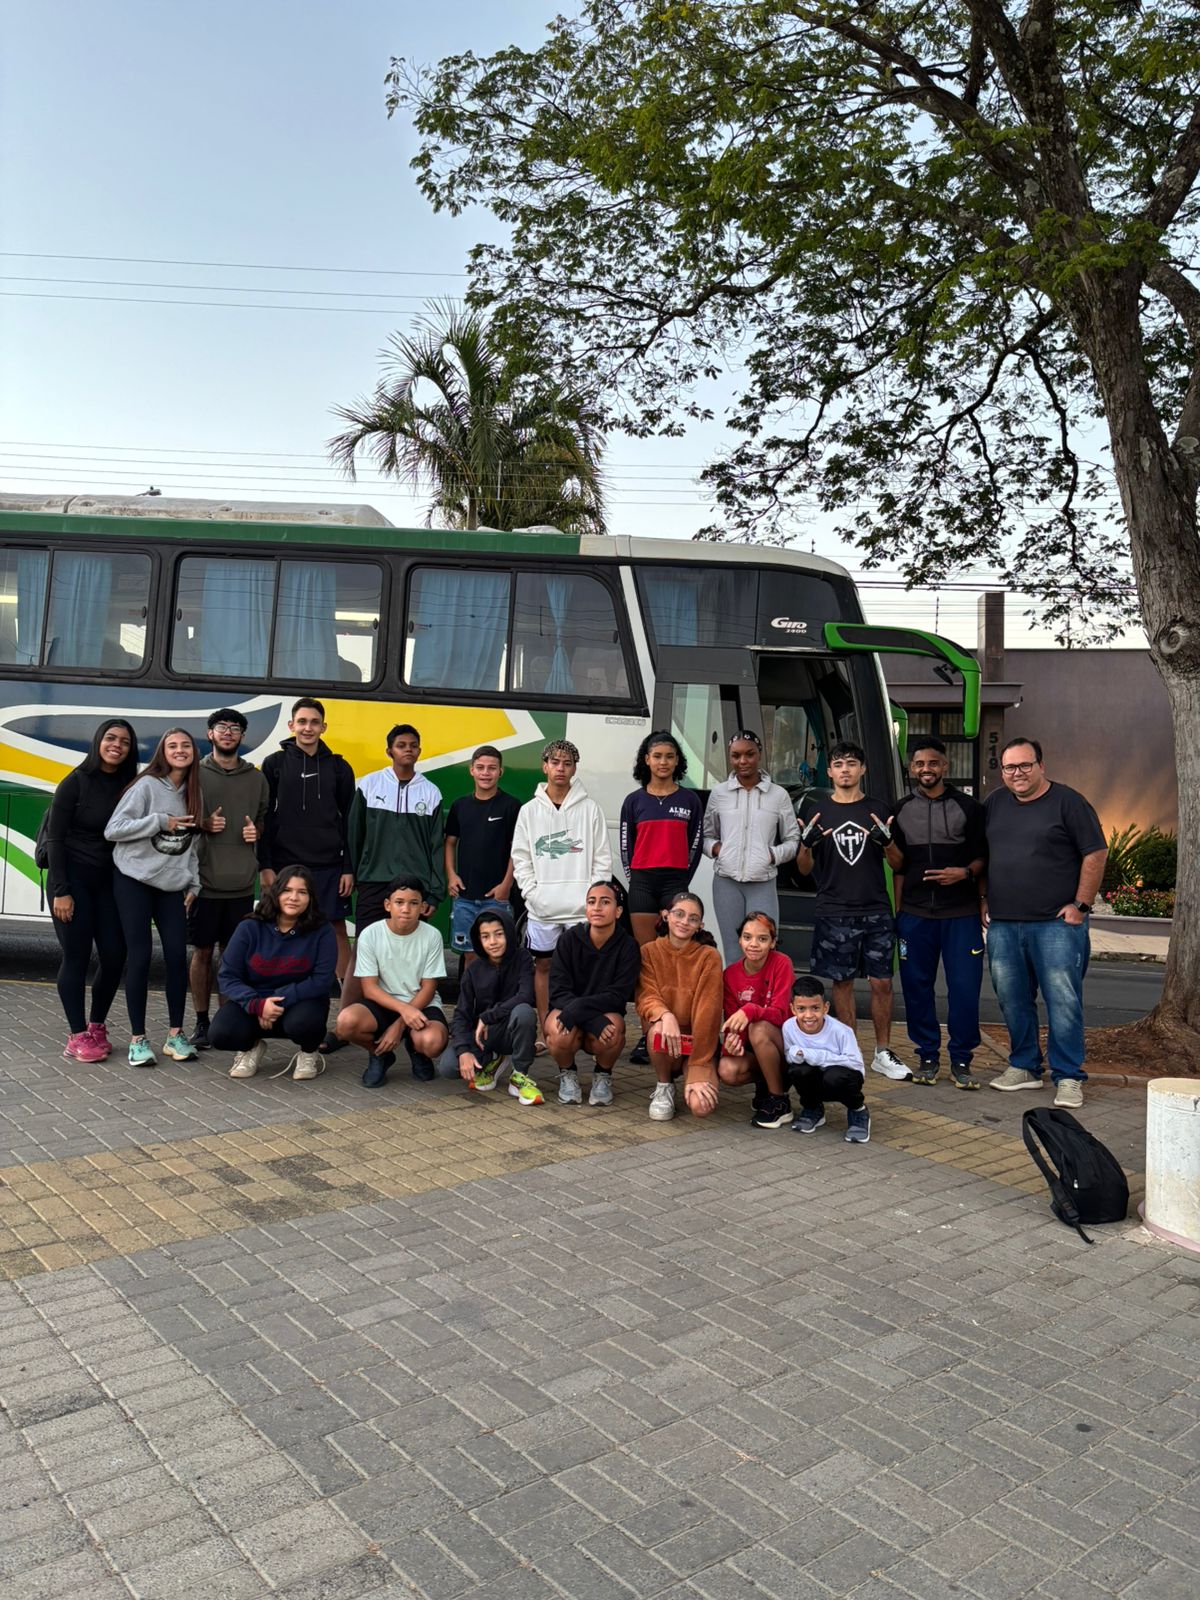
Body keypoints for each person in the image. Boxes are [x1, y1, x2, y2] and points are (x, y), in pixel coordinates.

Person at [983, 737, 1107, 1109]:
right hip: (1004, 924)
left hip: (1056, 925)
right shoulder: (995, 804)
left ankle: (1068, 1076)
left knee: (1063, 1001)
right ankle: (1025, 1066)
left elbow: (1096, 853)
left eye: (1025, 765)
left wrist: (1081, 905)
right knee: (1012, 999)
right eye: (1010, 767)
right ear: (1002, 771)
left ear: (1041, 766)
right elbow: (984, 855)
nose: (1017, 773)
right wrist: (983, 897)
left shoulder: (1068, 802)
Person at [795, 740, 910, 1081]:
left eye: (851, 764)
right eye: (838, 764)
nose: (845, 770)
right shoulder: (818, 811)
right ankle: (849, 1051)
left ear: (862, 769)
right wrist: (806, 845)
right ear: (829, 771)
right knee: (842, 983)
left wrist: (887, 841)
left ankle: (882, 1051)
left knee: (882, 982)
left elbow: (898, 863)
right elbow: (803, 869)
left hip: (875, 907)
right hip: (834, 908)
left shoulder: (879, 809)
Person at [891, 737, 988, 1090]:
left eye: (933, 763)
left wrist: (965, 875)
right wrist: (899, 913)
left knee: (964, 989)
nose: (926, 769)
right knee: (916, 989)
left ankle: (961, 1059)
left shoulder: (969, 807)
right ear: (912, 768)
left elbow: (983, 856)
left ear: (945, 766)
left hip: (960, 914)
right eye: (920, 764)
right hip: (915, 915)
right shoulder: (900, 810)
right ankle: (927, 1056)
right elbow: (898, 868)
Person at [105, 727, 203, 1068]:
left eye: (186, 745)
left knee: (176, 956)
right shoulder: (146, 786)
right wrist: (161, 820)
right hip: (133, 880)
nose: (180, 750)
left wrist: (194, 884)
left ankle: (175, 1036)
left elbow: (192, 844)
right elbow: (113, 830)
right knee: (141, 955)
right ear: (163, 752)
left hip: (171, 885)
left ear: (194, 752)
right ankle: (138, 1039)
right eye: (172, 746)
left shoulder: (195, 792)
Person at [45, 718, 139, 1063]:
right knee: (77, 956)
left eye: (125, 742)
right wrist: (61, 890)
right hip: (72, 883)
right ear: (98, 741)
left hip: (110, 884)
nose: (117, 745)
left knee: (115, 955)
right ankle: (76, 1035)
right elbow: (55, 839)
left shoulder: (130, 786)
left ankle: (96, 1026)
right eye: (111, 738)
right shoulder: (75, 782)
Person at [511, 739, 613, 1030]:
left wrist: (591, 901)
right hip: (542, 909)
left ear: (574, 769)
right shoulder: (529, 811)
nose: (561, 768)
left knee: (582, 969)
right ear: (544, 766)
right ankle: (547, 1028)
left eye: (567, 763)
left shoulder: (590, 809)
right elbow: (521, 857)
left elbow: (602, 859)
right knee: (543, 966)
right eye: (555, 762)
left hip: (580, 910)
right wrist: (533, 893)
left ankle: (580, 1027)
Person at [260, 697, 355, 992]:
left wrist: (348, 868)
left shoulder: (339, 768)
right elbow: (264, 818)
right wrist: (265, 865)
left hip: (329, 865)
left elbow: (350, 822)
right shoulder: (274, 764)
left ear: (324, 727)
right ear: (291, 725)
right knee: (280, 928)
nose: (308, 728)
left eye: (314, 722)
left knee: (336, 929)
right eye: (302, 722)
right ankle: (276, 994)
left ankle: (348, 1002)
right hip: (284, 864)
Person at [620, 730, 704, 1063]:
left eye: (669, 756)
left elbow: (695, 845)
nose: (663, 762)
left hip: (675, 885)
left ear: (677, 761)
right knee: (647, 961)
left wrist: (682, 887)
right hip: (642, 884)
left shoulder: (690, 800)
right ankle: (648, 1034)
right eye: (657, 756)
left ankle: (676, 1031)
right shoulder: (634, 801)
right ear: (647, 760)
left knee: (675, 958)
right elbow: (626, 846)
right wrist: (634, 880)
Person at [188, 708, 269, 1050]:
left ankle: (226, 1021)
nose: (228, 732)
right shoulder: (194, 773)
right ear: (210, 733)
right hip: (204, 882)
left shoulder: (257, 779)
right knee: (202, 952)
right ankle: (201, 1021)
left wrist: (256, 831)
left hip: (241, 883)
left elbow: (263, 820)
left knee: (232, 956)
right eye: (221, 727)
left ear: (242, 736)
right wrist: (203, 824)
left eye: (235, 728)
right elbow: (178, 819)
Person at [209, 866, 337, 1081]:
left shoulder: (322, 930)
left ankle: (308, 1052)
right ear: (276, 893)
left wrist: (278, 999)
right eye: (287, 890)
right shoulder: (250, 927)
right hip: (255, 1001)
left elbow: (322, 980)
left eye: (302, 892)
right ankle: (250, 1047)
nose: (293, 897)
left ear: (311, 898)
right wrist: (258, 1004)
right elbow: (227, 976)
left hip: (300, 1001)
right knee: (220, 1034)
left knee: (305, 1024)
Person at [333, 876, 449, 1087]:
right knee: (345, 1023)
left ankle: (416, 1050)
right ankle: (380, 1053)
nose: (406, 909)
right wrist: (403, 1012)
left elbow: (429, 987)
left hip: (420, 1003)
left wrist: (400, 1024)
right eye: (399, 902)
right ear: (388, 905)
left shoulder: (432, 936)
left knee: (432, 1042)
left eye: (413, 903)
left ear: (423, 907)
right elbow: (369, 988)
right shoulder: (370, 934)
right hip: (382, 1002)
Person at [702, 730, 799, 964]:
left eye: (749, 754)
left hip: (762, 883)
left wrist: (772, 855)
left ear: (760, 754)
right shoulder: (719, 793)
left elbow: (793, 839)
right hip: (726, 882)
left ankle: (763, 991)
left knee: (763, 949)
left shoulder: (778, 795)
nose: (743, 761)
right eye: (736, 756)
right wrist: (717, 849)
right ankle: (734, 991)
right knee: (733, 950)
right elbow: (706, 834)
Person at [545, 880, 641, 1106]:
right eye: (591, 902)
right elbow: (558, 991)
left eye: (605, 902)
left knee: (613, 1032)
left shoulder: (628, 946)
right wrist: (591, 1019)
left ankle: (603, 1074)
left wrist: (582, 1011)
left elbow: (618, 995)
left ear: (618, 911)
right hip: (570, 1009)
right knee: (558, 1031)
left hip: (604, 1011)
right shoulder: (569, 939)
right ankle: (567, 1073)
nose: (597, 907)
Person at [636, 891, 724, 1122]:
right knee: (657, 1030)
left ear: (700, 925)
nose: (685, 922)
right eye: (679, 914)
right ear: (666, 915)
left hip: (699, 1043)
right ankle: (664, 1085)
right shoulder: (648, 952)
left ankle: (695, 1071)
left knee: (701, 1107)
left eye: (693, 919)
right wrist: (666, 1015)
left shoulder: (709, 956)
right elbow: (646, 996)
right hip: (667, 1040)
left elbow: (709, 1012)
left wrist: (698, 1064)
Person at [444, 908, 542, 1105]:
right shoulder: (473, 970)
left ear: (509, 933)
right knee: (449, 1068)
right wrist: (463, 1050)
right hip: (483, 1037)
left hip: (509, 1029)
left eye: (499, 934)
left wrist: (488, 1016)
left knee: (524, 1012)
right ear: (478, 939)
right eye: (485, 936)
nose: (493, 942)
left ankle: (519, 1075)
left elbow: (525, 996)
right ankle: (494, 1059)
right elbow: (461, 1014)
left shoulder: (522, 958)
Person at [716, 911, 796, 1128]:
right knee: (727, 1070)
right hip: (755, 1047)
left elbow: (780, 1014)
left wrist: (751, 1010)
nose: (753, 944)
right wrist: (733, 1043)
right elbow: (732, 1020)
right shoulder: (730, 974)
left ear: (772, 943)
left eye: (762, 939)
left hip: (784, 1044)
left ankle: (779, 1101)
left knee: (758, 1028)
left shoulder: (782, 963)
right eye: (747, 937)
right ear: (739, 940)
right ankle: (767, 1084)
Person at [445, 744, 521, 966]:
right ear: (471, 770)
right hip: (465, 897)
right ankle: (470, 991)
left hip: (496, 897)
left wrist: (506, 885)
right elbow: (449, 843)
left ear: (500, 771)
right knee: (469, 954)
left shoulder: (511, 806)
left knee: (496, 954)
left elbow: (517, 849)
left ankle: (496, 992)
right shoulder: (460, 806)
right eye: (480, 767)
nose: (486, 773)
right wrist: (451, 875)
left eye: (492, 768)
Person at [784, 976, 870, 1143]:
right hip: (816, 1077)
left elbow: (855, 1063)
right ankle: (813, 1107)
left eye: (815, 1008)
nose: (809, 1015)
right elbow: (789, 1055)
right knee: (797, 1070)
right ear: (793, 1009)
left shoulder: (842, 1031)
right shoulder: (788, 1027)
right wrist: (796, 1054)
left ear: (826, 1008)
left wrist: (811, 1055)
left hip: (843, 1077)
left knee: (834, 1076)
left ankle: (858, 1110)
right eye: (801, 1009)